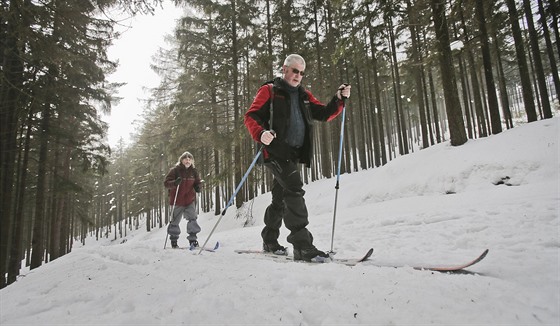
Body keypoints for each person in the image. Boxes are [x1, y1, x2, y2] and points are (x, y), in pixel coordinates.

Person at [244, 54, 351, 262]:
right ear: (284, 69)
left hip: (292, 154)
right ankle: (302, 246)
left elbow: (323, 113)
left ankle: (269, 239)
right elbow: (251, 116)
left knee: (280, 199)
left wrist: (338, 99)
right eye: (295, 71)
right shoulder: (270, 90)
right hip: (275, 150)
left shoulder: (304, 95)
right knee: (294, 189)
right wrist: (261, 133)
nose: (298, 76)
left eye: (302, 73)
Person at [164, 151, 203, 249]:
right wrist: (174, 183)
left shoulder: (194, 171)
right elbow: (166, 183)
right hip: (177, 200)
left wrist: (198, 187)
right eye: (185, 159)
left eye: (189, 159)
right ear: (181, 160)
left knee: (192, 219)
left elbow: (197, 182)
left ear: (192, 161)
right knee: (175, 221)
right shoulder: (175, 170)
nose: (187, 160)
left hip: (190, 200)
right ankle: (174, 240)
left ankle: (193, 240)